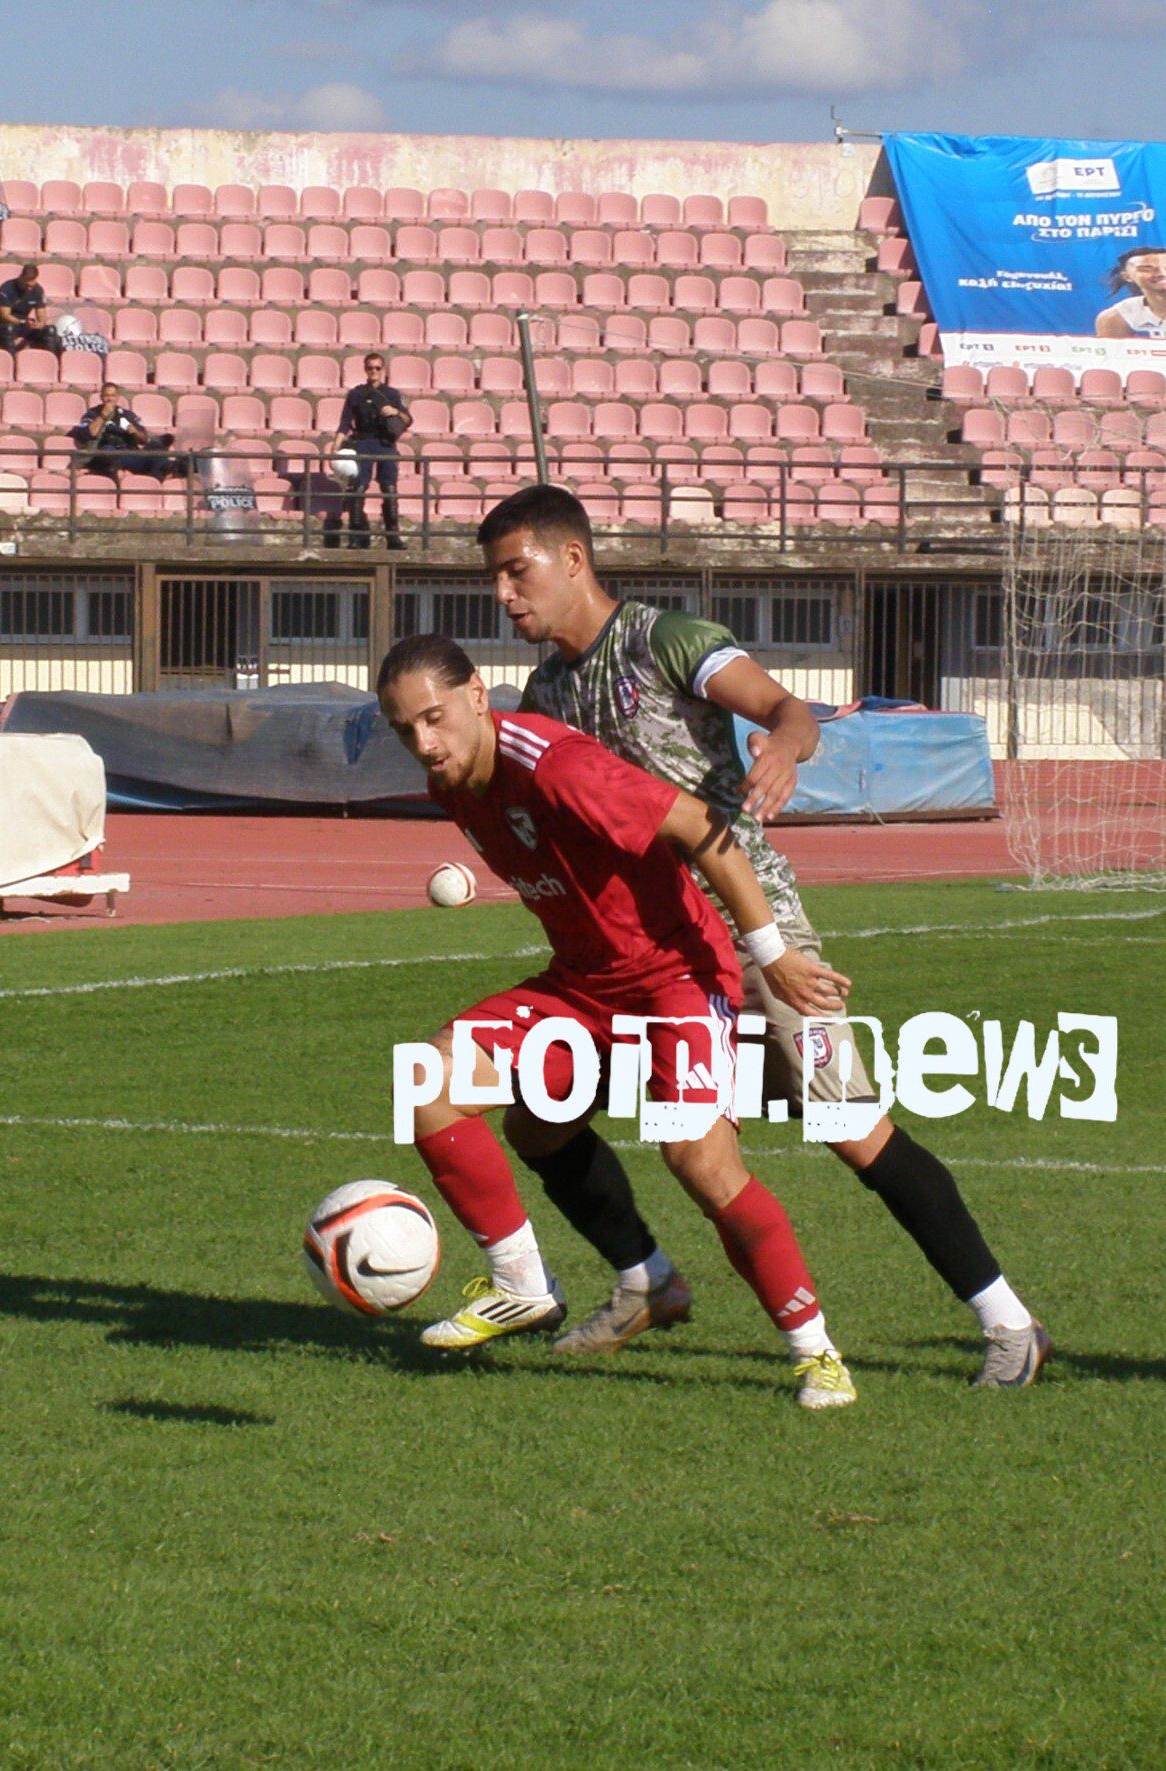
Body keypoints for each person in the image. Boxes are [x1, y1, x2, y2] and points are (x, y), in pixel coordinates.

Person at [482, 484, 1050, 1386]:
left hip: (755, 936)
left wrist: (783, 747)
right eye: (495, 578)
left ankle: (1009, 1324)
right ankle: (644, 1283)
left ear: (574, 559)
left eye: (518, 570)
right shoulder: (545, 694)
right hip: (650, 956)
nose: (505, 594)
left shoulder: (664, 641)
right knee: (542, 1118)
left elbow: (785, 708)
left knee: (851, 1125)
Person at [377, 632, 860, 1408]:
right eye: (405, 730)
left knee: (698, 1162)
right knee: (440, 1086)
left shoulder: (556, 765)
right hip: (584, 984)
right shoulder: (454, 780)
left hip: (675, 974)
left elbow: (705, 828)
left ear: (476, 696)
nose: (423, 743)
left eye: (434, 718)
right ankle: (531, 1284)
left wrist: (768, 954)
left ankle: (815, 1353)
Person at [318, 352, 411, 548]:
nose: (374, 371)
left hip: (385, 443)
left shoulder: (392, 394)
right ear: (365, 369)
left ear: (383, 370)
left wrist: (395, 412)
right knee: (358, 487)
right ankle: (357, 535)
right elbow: (345, 422)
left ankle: (393, 537)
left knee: (390, 489)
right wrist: (337, 443)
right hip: (363, 441)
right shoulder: (356, 393)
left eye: (377, 368)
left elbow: (408, 420)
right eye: (370, 368)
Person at [68, 383, 186, 480]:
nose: (109, 399)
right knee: (108, 451)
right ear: (101, 397)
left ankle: (161, 474)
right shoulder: (93, 414)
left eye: (113, 396)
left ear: (118, 397)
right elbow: (89, 434)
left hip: (127, 453)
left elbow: (144, 439)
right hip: (105, 453)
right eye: (106, 396)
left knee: (157, 448)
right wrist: (103, 416)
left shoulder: (126, 415)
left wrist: (134, 431)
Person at [0, 262, 59, 355]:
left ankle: (50, 361)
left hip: (25, 324)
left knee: (50, 330)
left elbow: (41, 313)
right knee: (8, 330)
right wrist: (23, 322)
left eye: (32, 286)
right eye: (27, 285)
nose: (29, 289)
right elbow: (5, 315)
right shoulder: (7, 288)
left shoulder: (37, 290)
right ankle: (11, 362)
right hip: (7, 324)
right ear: (21, 277)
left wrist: (41, 323)